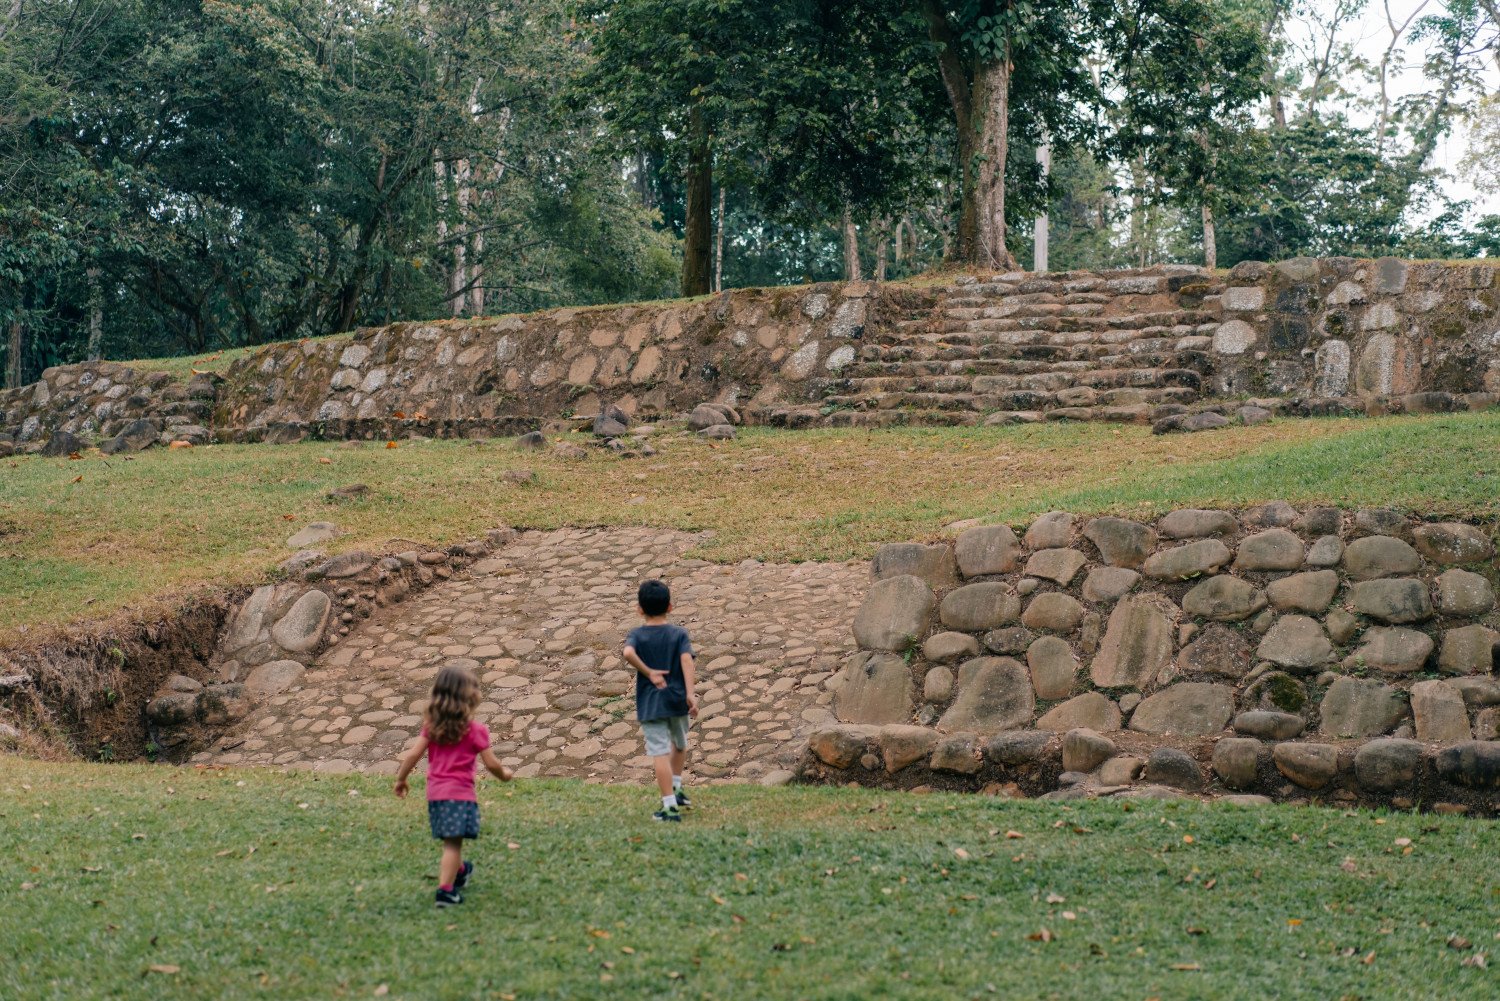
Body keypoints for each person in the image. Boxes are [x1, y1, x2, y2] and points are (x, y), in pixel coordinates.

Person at [393, 662, 513, 907]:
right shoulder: (476, 730)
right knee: (453, 844)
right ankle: (445, 890)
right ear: (469, 697)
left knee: (451, 839)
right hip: (459, 795)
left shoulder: (431, 727)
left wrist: (401, 778)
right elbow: (491, 764)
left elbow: (412, 755)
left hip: (435, 794)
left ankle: (460, 871)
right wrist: (505, 775)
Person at [622, 578, 698, 822]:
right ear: (670, 607)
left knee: (659, 753)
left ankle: (668, 806)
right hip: (678, 699)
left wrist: (649, 672)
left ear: (639, 609)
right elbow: (687, 661)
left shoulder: (637, 635)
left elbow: (627, 653)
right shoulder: (679, 634)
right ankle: (676, 787)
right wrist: (690, 693)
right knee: (679, 743)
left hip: (652, 704)